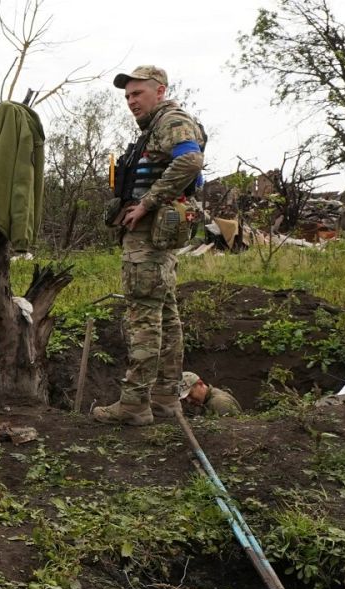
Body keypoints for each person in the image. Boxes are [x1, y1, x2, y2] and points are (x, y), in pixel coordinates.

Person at [93, 65, 207, 426]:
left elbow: (191, 160)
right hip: (153, 238)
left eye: (138, 93)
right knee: (166, 317)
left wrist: (147, 203)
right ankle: (164, 399)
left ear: (159, 91)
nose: (131, 101)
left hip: (149, 237)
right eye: (127, 96)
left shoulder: (171, 121)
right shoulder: (156, 128)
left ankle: (134, 404)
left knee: (144, 318)